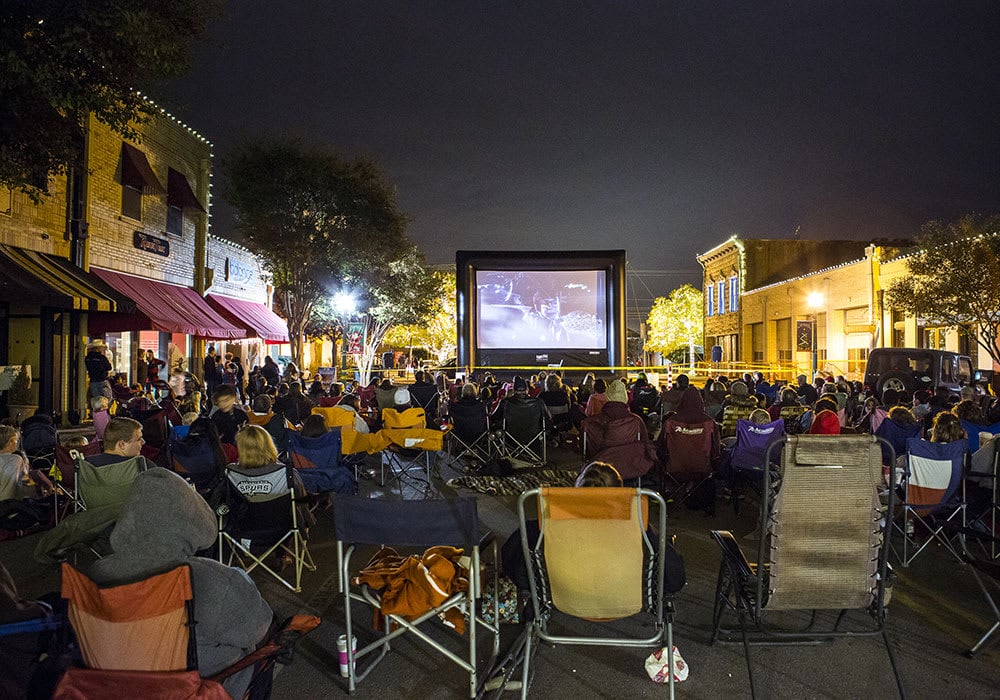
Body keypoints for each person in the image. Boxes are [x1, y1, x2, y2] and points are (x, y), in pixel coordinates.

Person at [88, 468, 273, 699]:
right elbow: (257, 628)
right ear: (192, 520)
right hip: (198, 688)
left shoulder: (95, 574)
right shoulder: (213, 580)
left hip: (123, 687)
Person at [500, 461, 686, 597]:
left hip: (564, 592)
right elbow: (675, 577)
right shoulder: (639, 530)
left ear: (576, 489)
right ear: (619, 493)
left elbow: (511, 561)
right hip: (624, 597)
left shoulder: (544, 526)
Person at [88, 417, 154, 470]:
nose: (143, 442)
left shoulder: (86, 466)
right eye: (138, 439)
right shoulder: (141, 465)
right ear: (122, 444)